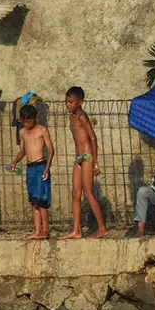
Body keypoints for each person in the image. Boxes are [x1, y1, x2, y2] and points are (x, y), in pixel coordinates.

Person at [60, 87, 110, 240]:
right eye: (66, 102)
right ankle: (76, 230)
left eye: (71, 102)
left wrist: (95, 162)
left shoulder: (81, 116)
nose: (68, 105)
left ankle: (102, 228)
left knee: (87, 192)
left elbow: (93, 138)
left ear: (80, 102)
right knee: (75, 193)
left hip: (87, 157)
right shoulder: (73, 117)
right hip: (79, 158)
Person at [7, 104, 54, 240]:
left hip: (41, 166)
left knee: (42, 200)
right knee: (34, 201)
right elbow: (23, 151)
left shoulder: (42, 130)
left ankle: (45, 230)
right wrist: (14, 162)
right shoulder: (22, 132)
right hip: (30, 168)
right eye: (24, 122)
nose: (27, 124)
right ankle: (37, 230)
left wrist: (47, 167)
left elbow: (51, 150)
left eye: (29, 121)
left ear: (36, 119)